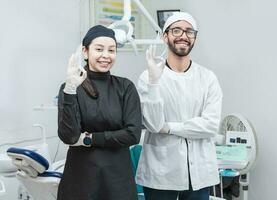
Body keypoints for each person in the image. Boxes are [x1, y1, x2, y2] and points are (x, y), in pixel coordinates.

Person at [136, 12, 223, 200]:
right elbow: (153, 124)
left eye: (189, 31)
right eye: (176, 30)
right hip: (161, 173)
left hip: (199, 173)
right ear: (164, 36)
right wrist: (153, 83)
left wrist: (169, 127)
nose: (183, 36)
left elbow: (210, 125)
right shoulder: (148, 77)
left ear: (194, 38)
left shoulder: (208, 78)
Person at [57, 25, 142, 200]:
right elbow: (70, 137)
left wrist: (89, 139)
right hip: (81, 179)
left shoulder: (125, 87)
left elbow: (133, 134)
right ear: (85, 51)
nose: (106, 55)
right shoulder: (72, 87)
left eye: (111, 50)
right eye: (99, 49)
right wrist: (71, 90)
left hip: (117, 179)